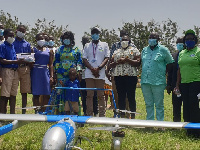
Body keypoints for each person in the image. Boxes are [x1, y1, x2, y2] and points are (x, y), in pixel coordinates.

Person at [141, 32, 174, 121]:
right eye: (150, 37)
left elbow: (170, 63)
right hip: (145, 81)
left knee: (159, 104)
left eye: (153, 37)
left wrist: (163, 72)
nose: (151, 39)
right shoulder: (144, 50)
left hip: (158, 81)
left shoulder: (163, 50)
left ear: (158, 39)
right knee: (148, 103)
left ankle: (160, 123)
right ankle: (150, 122)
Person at [175, 29, 200, 137]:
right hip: (184, 84)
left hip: (196, 83)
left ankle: (197, 132)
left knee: (194, 107)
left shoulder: (198, 52)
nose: (189, 40)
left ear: (195, 40)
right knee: (186, 107)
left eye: (191, 39)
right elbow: (179, 70)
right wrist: (177, 84)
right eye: (187, 39)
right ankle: (189, 131)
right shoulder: (182, 53)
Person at [109, 35, 140, 118]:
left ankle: (132, 115)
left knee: (131, 96)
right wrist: (117, 62)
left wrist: (127, 60)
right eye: (122, 40)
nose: (124, 41)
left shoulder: (134, 50)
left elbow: (138, 62)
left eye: (126, 40)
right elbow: (111, 64)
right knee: (121, 96)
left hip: (131, 77)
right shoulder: (116, 51)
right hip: (119, 77)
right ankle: (122, 114)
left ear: (129, 41)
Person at [53, 31, 82, 114]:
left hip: (72, 76)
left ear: (71, 39)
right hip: (61, 75)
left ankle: (75, 113)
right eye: (64, 38)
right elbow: (56, 61)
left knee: (73, 92)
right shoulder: (59, 49)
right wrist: (55, 73)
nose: (66, 40)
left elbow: (79, 61)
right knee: (61, 93)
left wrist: (79, 72)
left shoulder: (76, 49)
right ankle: (61, 113)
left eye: (68, 38)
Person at [83, 27, 110, 117]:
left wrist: (98, 68)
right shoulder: (87, 45)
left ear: (99, 34)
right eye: (93, 33)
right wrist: (92, 69)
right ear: (91, 34)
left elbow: (107, 57)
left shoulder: (104, 44)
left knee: (100, 95)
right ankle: (89, 114)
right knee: (89, 95)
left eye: (96, 33)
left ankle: (102, 115)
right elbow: (84, 58)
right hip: (89, 73)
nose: (95, 34)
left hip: (100, 73)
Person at [0, 29, 26, 114]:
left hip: (15, 71)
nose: (12, 37)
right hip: (7, 71)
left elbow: (14, 58)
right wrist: (16, 62)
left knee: (13, 94)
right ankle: (3, 115)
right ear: (5, 36)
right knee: (5, 95)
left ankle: (12, 115)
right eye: (10, 36)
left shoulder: (12, 46)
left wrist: (19, 60)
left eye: (12, 36)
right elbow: (2, 60)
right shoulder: (3, 46)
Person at [31, 33, 54, 112]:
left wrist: (51, 76)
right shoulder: (33, 50)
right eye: (39, 39)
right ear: (36, 40)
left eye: (43, 39)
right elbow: (31, 62)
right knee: (36, 94)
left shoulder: (49, 51)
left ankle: (45, 110)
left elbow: (51, 64)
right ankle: (37, 111)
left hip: (45, 72)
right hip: (36, 72)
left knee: (46, 93)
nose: (41, 41)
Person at [13, 25, 31, 114]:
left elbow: (30, 57)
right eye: (20, 31)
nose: (22, 33)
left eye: (23, 32)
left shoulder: (27, 44)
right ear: (17, 31)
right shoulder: (12, 43)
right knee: (13, 91)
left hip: (25, 68)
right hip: (15, 68)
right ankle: (12, 111)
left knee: (24, 91)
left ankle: (23, 112)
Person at [166, 37, 184, 122]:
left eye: (181, 43)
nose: (179, 45)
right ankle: (176, 123)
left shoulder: (187, 55)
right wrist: (169, 84)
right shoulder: (173, 56)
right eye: (178, 43)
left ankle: (187, 123)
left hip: (186, 84)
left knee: (187, 105)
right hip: (175, 85)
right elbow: (170, 72)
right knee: (176, 105)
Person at [80, 36, 98, 116]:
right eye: (84, 41)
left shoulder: (93, 51)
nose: (85, 42)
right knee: (84, 95)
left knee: (94, 94)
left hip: (92, 76)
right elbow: (79, 64)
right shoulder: (80, 52)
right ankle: (85, 112)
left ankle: (96, 111)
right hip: (83, 77)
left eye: (87, 41)